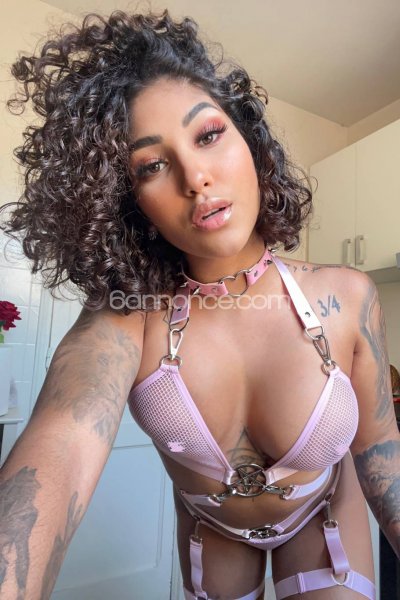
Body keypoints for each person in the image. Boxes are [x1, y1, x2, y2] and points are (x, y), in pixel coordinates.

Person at [0, 8, 399, 600]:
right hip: (212, 536)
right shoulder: (127, 315)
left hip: (325, 524)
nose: (195, 177)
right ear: (128, 202)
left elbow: (380, 450)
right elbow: (60, 439)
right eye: (152, 165)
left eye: (208, 135)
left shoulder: (349, 295)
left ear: (250, 142)